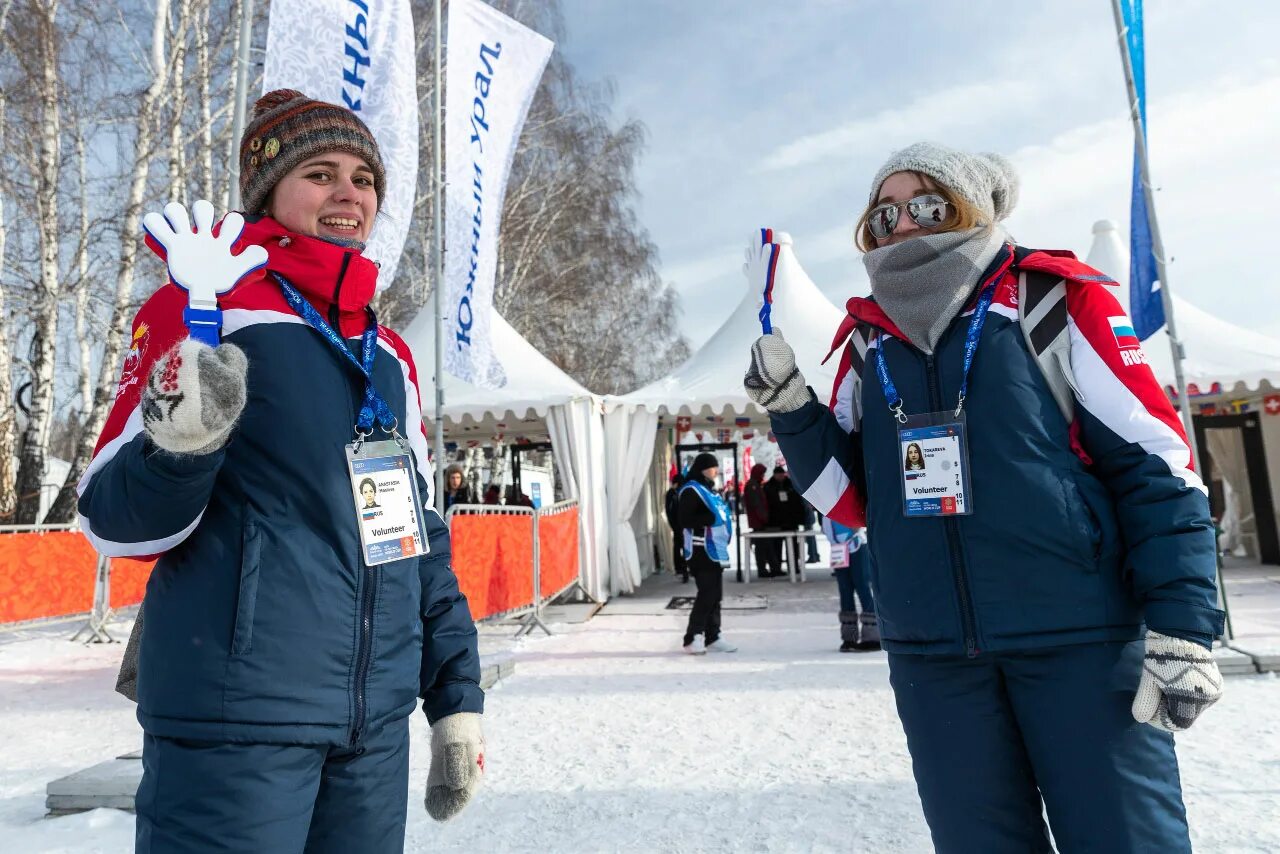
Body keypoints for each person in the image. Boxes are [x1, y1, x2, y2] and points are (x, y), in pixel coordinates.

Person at [745, 142, 1224, 853]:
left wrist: (1184, 623)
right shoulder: (865, 341)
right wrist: (791, 409)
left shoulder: (1052, 300)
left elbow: (1157, 464)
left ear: (969, 207)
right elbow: (848, 499)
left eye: (927, 206)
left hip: (1078, 644)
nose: (903, 224)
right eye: (884, 213)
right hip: (935, 659)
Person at [79, 89, 485, 851]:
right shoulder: (209, 308)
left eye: (364, 179)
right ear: (270, 192)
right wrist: (180, 445)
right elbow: (112, 520)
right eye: (321, 173)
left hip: (371, 734)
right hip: (237, 724)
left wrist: (454, 694)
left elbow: (413, 537)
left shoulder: (388, 356)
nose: (348, 194)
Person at [679, 453, 738, 654]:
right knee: (707, 593)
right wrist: (709, 518)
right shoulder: (691, 490)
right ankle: (692, 636)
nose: (716, 471)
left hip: (715, 550)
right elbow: (685, 519)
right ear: (704, 468)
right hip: (699, 550)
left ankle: (713, 635)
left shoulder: (708, 490)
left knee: (716, 594)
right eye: (713, 467)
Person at [822, 517, 879, 652]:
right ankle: (850, 636)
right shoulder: (823, 501)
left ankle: (873, 637)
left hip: (855, 546)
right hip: (838, 550)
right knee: (845, 590)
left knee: (862, 587)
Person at [743, 463, 782, 578]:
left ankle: (771, 568)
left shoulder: (755, 484)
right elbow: (757, 504)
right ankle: (764, 569)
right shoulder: (753, 486)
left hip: (759, 521)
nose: (763, 475)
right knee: (762, 547)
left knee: (766, 546)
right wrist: (764, 517)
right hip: (759, 522)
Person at [764, 466, 804, 574]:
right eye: (778, 475)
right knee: (777, 546)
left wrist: (799, 517)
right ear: (775, 475)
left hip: (791, 521)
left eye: (782, 474)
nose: (780, 477)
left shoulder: (791, 484)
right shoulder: (768, 486)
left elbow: (798, 502)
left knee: (793, 547)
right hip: (775, 522)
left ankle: (794, 566)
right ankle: (777, 568)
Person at [663, 471, 689, 582]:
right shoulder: (672, 494)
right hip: (678, 525)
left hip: (680, 524)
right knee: (679, 546)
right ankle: (680, 568)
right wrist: (674, 525)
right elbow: (670, 511)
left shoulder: (675, 493)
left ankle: (682, 568)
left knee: (681, 546)